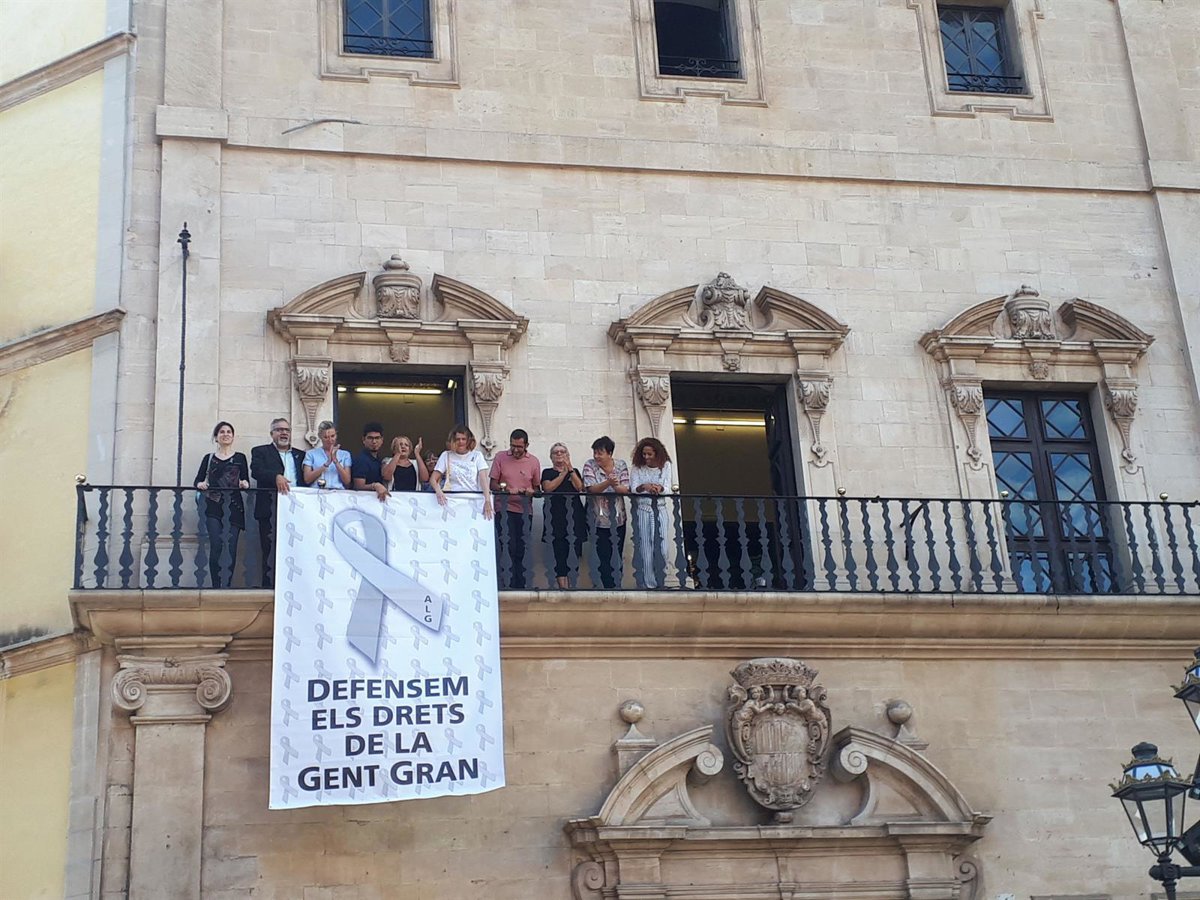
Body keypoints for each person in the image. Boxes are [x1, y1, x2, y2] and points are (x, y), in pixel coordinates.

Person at [250, 417, 306, 588]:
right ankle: (270, 587)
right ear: (272, 433)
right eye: (279, 430)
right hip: (270, 508)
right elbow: (256, 471)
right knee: (270, 550)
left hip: (297, 510)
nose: (283, 433)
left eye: (287, 430)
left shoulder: (300, 455)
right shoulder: (260, 451)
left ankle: (294, 586)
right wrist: (275, 477)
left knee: (296, 550)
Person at [194, 421, 250, 588]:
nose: (226, 434)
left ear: (233, 436)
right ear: (216, 437)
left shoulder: (240, 457)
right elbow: (198, 480)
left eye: (229, 432)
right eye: (222, 432)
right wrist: (200, 484)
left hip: (234, 506)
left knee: (231, 547)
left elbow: (245, 479)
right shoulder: (209, 458)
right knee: (217, 545)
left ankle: (227, 585)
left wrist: (244, 483)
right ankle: (216, 586)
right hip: (213, 505)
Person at [489, 429, 541, 589]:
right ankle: (508, 583)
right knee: (508, 545)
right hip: (504, 509)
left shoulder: (533, 461)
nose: (515, 450)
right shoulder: (500, 457)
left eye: (519, 446)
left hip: (525, 511)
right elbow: (492, 484)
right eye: (513, 446)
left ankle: (521, 585)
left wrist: (531, 491)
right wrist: (506, 490)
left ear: (526, 445)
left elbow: (538, 489)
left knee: (522, 548)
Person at [582, 436, 630, 589]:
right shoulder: (589, 465)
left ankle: (617, 586)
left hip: (618, 518)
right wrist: (609, 482)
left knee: (617, 553)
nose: (596, 456)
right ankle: (607, 587)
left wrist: (615, 485)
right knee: (602, 555)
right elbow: (591, 488)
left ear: (609, 453)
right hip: (597, 519)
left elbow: (625, 489)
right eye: (595, 452)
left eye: (600, 453)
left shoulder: (621, 465)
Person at [541, 442, 587, 589]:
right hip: (556, 518)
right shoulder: (547, 472)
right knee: (558, 553)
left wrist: (570, 470)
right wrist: (562, 474)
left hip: (574, 516)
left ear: (568, 455)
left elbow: (579, 487)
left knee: (574, 551)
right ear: (551, 457)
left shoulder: (574, 471)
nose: (559, 454)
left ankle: (572, 586)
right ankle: (563, 588)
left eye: (563, 452)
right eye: (556, 452)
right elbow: (548, 488)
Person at [630, 437, 675, 589]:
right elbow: (634, 488)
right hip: (643, 508)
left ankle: (661, 578)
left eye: (650, 454)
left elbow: (667, 487)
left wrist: (659, 488)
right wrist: (645, 486)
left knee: (663, 547)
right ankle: (649, 584)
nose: (646, 457)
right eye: (644, 454)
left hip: (660, 508)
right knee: (645, 548)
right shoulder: (637, 467)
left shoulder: (666, 466)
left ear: (657, 453)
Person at [430, 424, 493, 520]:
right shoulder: (446, 455)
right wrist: (438, 491)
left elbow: (483, 479)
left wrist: (487, 500)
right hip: (452, 502)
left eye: (464, 439)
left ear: (469, 440)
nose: (461, 442)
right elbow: (433, 479)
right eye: (457, 439)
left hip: (473, 501)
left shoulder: (477, 455)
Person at [303, 421, 352, 489]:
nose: (330, 440)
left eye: (332, 436)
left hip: (338, 491)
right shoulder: (311, 454)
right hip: (317, 491)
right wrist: (327, 464)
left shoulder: (345, 454)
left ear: (336, 435)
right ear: (320, 437)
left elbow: (347, 481)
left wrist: (335, 461)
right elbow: (307, 479)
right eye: (326, 437)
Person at [351, 421, 389, 501]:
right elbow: (358, 486)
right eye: (370, 438)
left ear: (382, 440)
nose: (374, 441)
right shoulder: (361, 460)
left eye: (377, 438)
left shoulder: (379, 459)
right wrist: (375, 486)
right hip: (364, 501)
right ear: (363, 440)